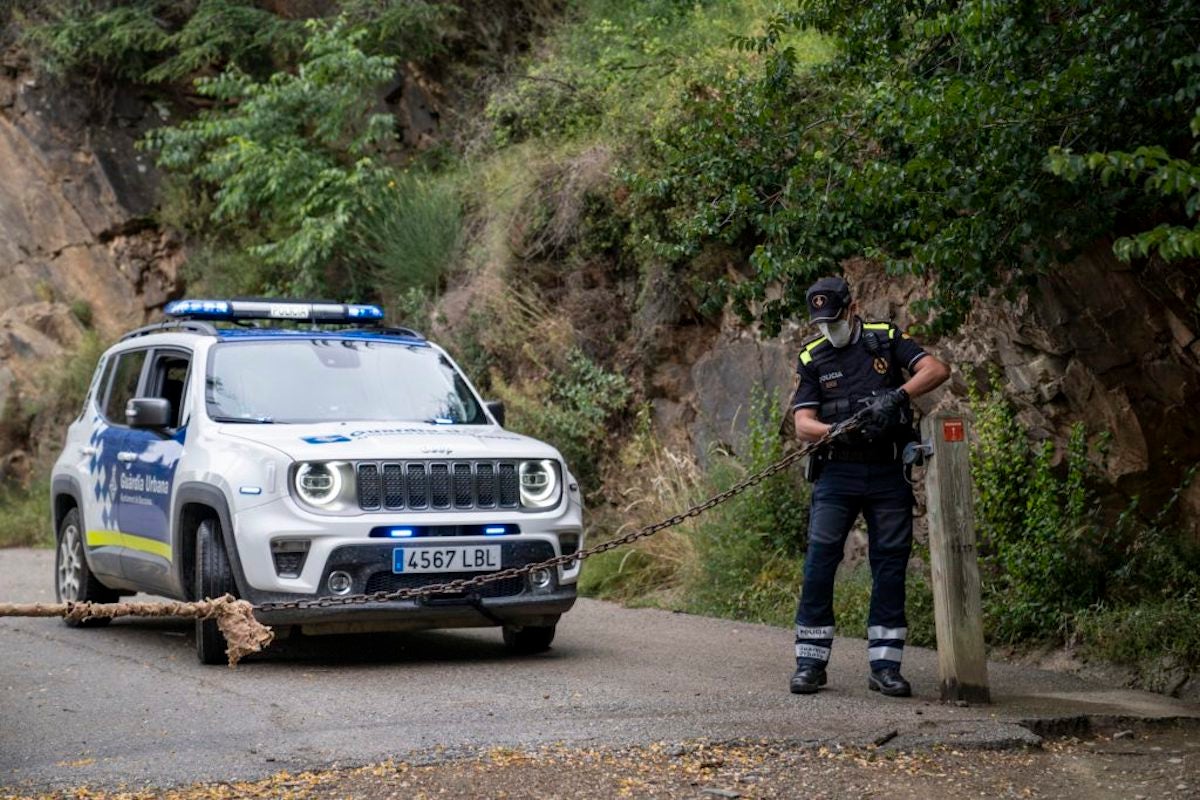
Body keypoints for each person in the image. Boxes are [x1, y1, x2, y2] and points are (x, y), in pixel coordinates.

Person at [788, 276, 950, 697]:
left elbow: (936, 369)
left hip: (886, 471)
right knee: (820, 561)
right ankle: (810, 662)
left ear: (851, 307)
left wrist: (896, 396)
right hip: (836, 473)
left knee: (891, 563)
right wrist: (831, 431)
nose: (829, 326)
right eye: (821, 320)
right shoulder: (813, 356)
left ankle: (885, 665)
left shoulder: (883, 340)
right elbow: (802, 422)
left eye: (835, 317)